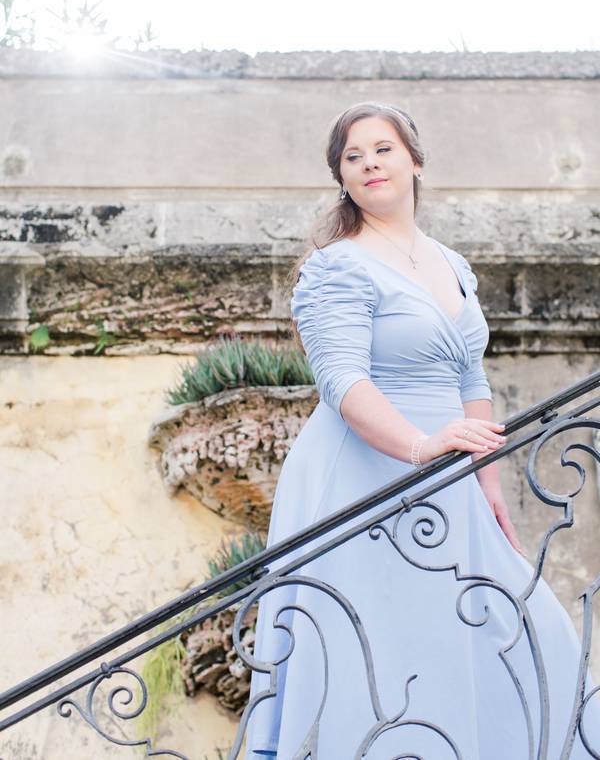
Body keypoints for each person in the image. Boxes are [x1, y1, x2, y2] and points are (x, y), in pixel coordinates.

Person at [241, 102, 600, 758]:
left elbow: (472, 381)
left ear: (415, 161)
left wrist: (487, 487)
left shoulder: (451, 264)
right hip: (362, 473)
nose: (370, 163)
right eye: (353, 156)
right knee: (381, 649)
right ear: (341, 178)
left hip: (450, 480)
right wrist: (420, 445)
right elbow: (343, 382)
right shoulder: (336, 267)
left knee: (515, 633)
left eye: (383, 149)